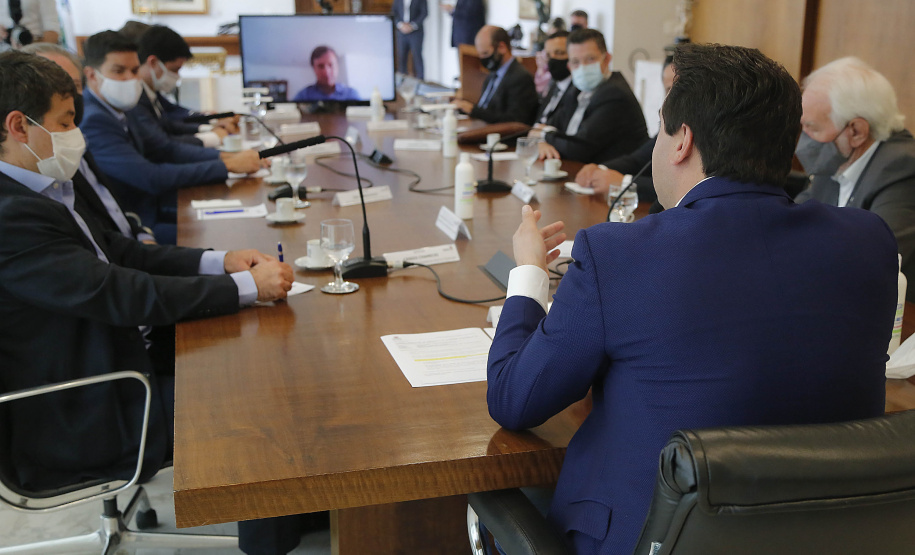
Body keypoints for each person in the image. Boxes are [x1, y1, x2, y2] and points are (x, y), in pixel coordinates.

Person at [487, 43, 897, 555]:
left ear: (682, 141)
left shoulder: (619, 255)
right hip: (820, 539)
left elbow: (513, 399)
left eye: (661, 127)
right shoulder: (869, 242)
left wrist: (528, 271)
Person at [0, 50, 298, 554]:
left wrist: (220, 261)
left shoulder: (43, 186)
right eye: (66, 121)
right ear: (19, 126)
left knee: (267, 360)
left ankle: (302, 513)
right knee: (259, 398)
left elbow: (119, 253)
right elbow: (116, 292)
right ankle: (278, 541)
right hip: (84, 402)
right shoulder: (10, 214)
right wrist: (248, 289)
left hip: (119, 355)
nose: (78, 134)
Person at [78, 31, 261, 245]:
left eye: (135, 70)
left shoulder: (117, 106)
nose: (130, 78)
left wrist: (225, 159)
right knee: (231, 237)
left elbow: (164, 149)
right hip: (140, 226)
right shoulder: (95, 120)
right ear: (91, 75)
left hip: (156, 206)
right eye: (119, 71)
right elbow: (150, 177)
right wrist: (226, 165)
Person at [794, 56, 915, 300]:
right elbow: (793, 225)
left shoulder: (903, 169)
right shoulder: (837, 158)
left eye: (813, 128)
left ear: (856, 131)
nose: (803, 140)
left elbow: (875, 261)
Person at [22, 42, 156, 243]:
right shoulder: (46, 158)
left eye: (74, 86)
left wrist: (142, 234)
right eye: (55, 88)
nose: (68, 98)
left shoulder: (75, 137)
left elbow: (110, 206)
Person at [575, 56, 676, 206]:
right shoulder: (672, 124)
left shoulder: (711, 133)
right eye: (668, 89)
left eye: (679, 87)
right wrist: (600, 169)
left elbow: (684, 189)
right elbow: (638, 160)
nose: (672, 97)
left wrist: (624, 183)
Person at [534, 29, 647, 163]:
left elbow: (578, 148)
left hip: (612, 176)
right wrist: (542, 141)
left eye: (590, 59)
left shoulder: (615, 95)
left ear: (607, 59)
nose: (583, 67)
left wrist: (544, 135)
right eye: (576, 62)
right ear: (569, 66)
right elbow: (549, 126)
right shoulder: (576, 90)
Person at [136, 25, 237, 148]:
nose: (177, 76)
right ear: (153, 62)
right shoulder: (134, 97)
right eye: (174, 69)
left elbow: (173, 119)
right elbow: (161, 143)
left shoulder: (151, 91)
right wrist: (214, 137)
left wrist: (213, 122)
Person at [453, 25, 539, 125]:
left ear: (502, 47)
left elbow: (515, 121)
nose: (482, 59)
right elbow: (485, 107)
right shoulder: (493, 74)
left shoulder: (520, 78)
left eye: (485, 53)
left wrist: (473, 110)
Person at [291, 46, 360, 102]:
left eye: (331, 65)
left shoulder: (352, 95)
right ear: (314, 69)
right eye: (321, 66)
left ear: (337, 66)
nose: (326, 72)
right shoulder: (303, 96)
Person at [533, 31, 574, 122]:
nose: (553, 59)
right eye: (548, 55)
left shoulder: (577, 90)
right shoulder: (554, 84)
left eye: (559, 53)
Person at [392, 0, 427, 80]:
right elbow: (394, 13)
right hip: (401, 32)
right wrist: (401, 25)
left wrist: (412, 26)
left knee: (417, 56)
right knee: (401, 57)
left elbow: (424, 13)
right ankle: (402, 81)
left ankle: (421, 81)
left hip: (416, 32)